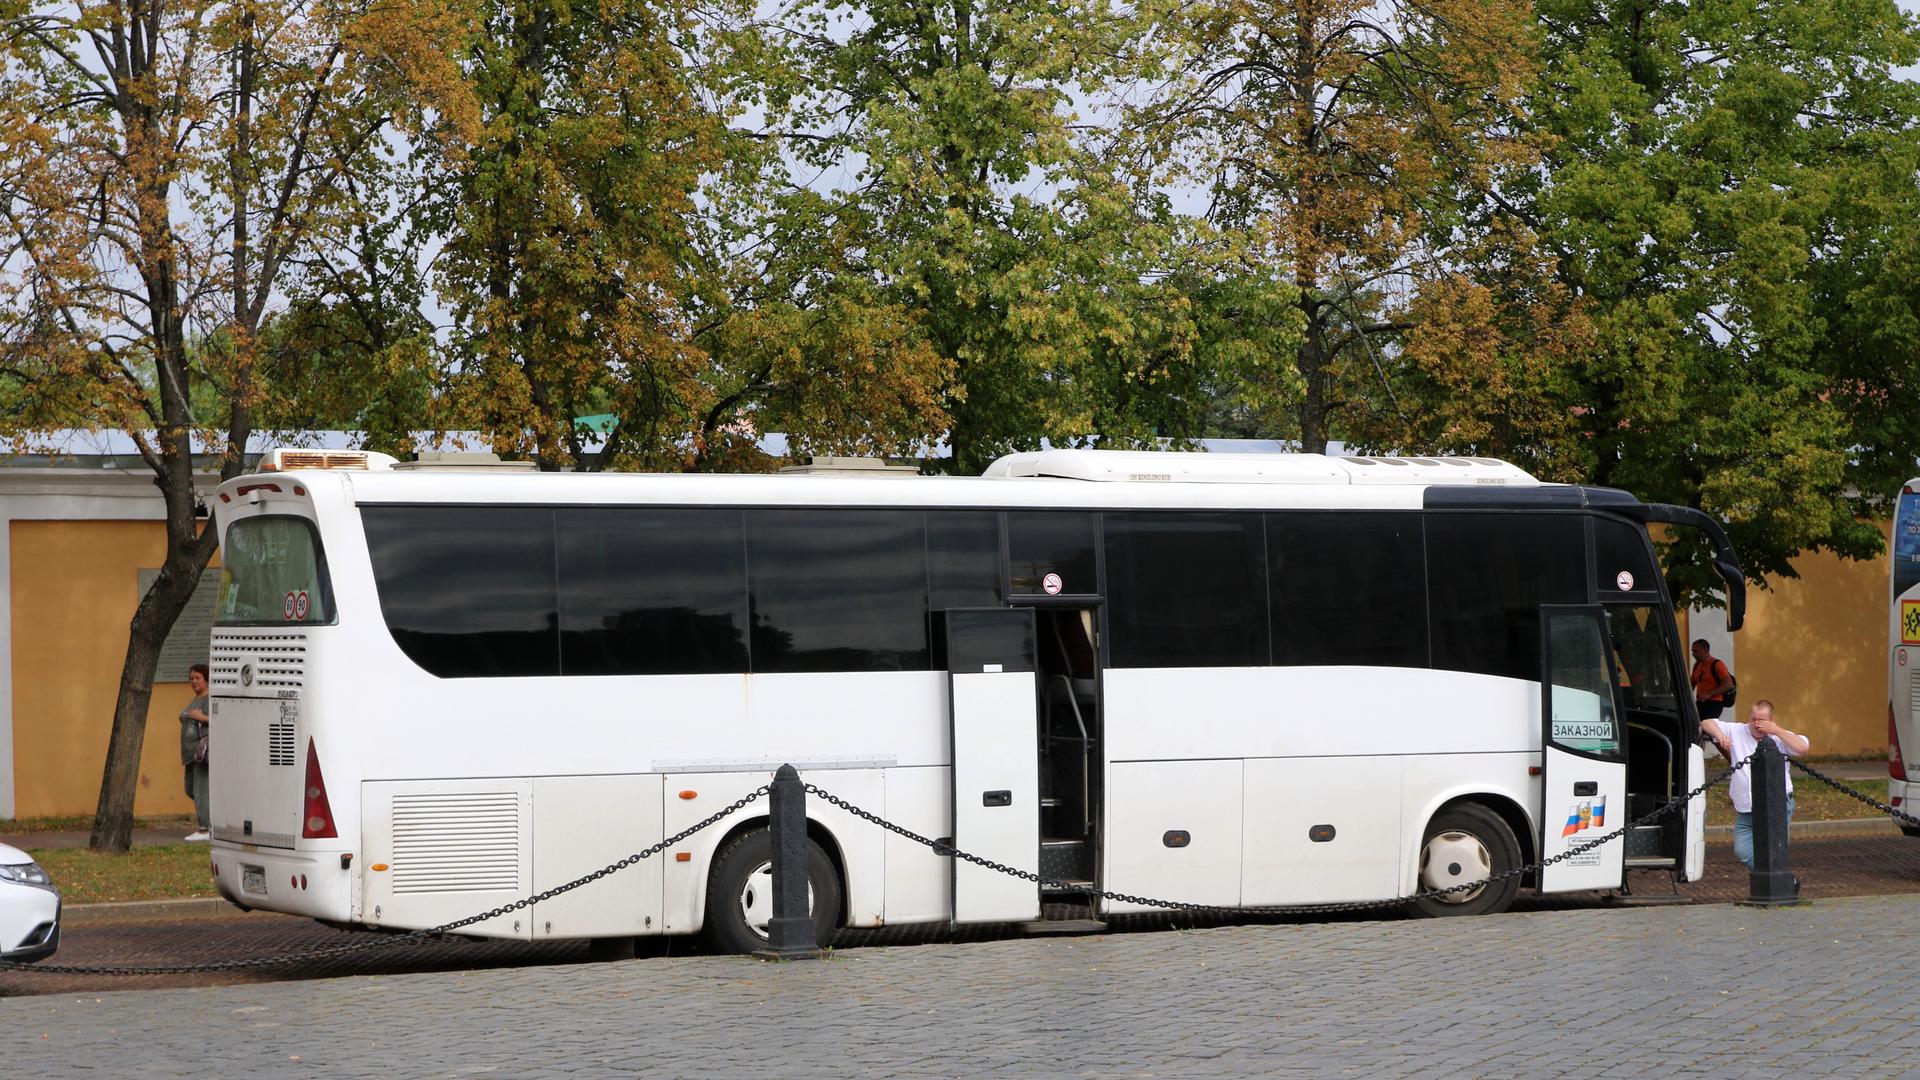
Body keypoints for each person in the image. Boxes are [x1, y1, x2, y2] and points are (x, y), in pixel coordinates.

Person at [1701, 700, 1810, 870]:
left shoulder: (1779, 736)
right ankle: (1776, 879)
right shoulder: (1737, 730)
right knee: (1742, 850)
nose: (1757, 724)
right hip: (1747, 808)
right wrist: (1720, 736)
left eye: (1762, 720)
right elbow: (1706, 722)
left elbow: (1803, 747)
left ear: (1771, 719)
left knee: (1775, 850)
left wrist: (1776, 730)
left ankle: (1777, 882)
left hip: (1776, 804)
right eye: (1753, 719)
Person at [180, 662, 211, 842]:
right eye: (191, 678)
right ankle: (212, 821)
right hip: (188, 753)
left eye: (198, 678)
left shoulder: (209, 698)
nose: (194, 681)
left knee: (200, 790)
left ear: (206, 679)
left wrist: (201, 718)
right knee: (190, 789)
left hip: (201, 752)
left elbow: (220, 719)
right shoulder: (196, 699)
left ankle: (205, 828)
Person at [1690, 639, 1735, 720]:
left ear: (1705, 650)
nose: (1693, 654)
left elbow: (1728, 684)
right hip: (1700, 703)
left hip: (1714, 703)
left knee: (1706, 727)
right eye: (1692, 651)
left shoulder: (1717, 664)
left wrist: (1710, 693)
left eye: (1696, 651)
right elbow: (1691, 684)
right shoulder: (1697, 665)